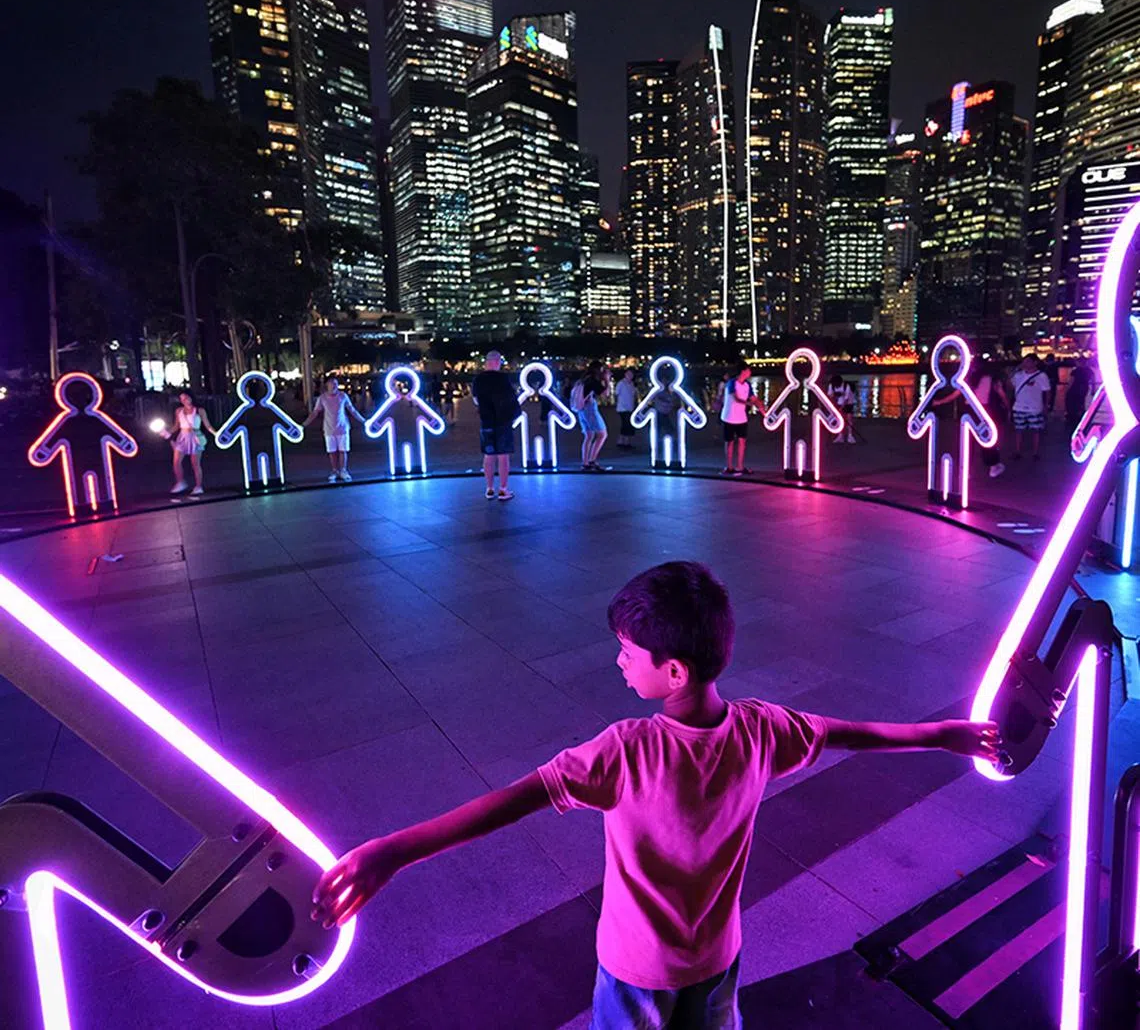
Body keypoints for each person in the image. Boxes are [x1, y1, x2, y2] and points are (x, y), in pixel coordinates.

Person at [312, 561, 1000, 1029]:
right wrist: (940, 734)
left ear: (673, 672)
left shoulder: (626, 750)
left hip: (635, 972)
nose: (618, 660)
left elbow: (514, 801)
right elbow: (850, 734)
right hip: (718, 959)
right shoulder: (762, 730)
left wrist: (393, 850)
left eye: (627, 652)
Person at [471, 350, 517, 500]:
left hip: (486, 420)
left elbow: (475, 399)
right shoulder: (503, 379)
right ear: (497, 362)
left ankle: (489, 488)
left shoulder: (478, 379)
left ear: (486, 362)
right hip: (503, 421)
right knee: (503, 455)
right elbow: (511, 398)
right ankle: (503, 489)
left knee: (488, 455)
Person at [304, 376, 366, 482]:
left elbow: (352, 410)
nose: (334, 386)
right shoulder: (322, 398)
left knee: (343, 451)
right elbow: (315, 412)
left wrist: (364, 421)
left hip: (343, 428)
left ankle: (343, 470)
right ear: (327, 385)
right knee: (332, 452)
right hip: (329, 429)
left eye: (336, 384)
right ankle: (334, 471)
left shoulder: (343, 396)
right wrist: (304, 424)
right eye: (332, 384)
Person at [169, 390, 216, 495]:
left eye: (186, 397)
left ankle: (198, 486)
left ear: (191, 397)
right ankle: (180, 482)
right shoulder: (178, 411)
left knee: (195, 463)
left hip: (195, 437)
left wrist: (216, 434)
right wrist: (167, 431)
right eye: (181, 399)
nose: (184, 400)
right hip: (182, 437)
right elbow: (176, 426)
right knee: (176, 461)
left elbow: (208, 425)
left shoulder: (199, 410)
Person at [720, 363, 763, 475]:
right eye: (748, 370)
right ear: (743, 371)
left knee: (742, 441)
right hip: (729, 417)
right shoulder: (732, 383)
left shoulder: (747, 385)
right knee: (729, 442)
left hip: (741, 418)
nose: (750, 372)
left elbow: (753, 398)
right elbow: (736, 398)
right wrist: (749, 403)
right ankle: (729, 466)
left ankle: (740, 466)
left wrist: (761, 407)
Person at [1010, 354, 1052, 460]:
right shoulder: (1018, 375)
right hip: (1019, 406)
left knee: (1036, 431)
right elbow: (1011, 385)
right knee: (1018, 430)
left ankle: (1035, 452)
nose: (1025, 364)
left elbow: (1047, 392)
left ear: (1035, 363)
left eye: (1028, 361)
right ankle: (1017, 451)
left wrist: (1046, 406)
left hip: (1035, 407)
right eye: (1024, 361)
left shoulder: (1041, 376)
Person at [974, 360, 1010, 478]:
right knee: (992, 438)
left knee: (980, 438)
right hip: (991, 411)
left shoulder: (975, 379)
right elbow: (1002, 395)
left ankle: (970, 468)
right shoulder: (994, 380)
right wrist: (1008, 408)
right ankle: (994, 465)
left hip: (976, 411)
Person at [572, 360, 609, 471]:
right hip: (589, 408)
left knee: (589, 436)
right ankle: (592, 460)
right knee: (602, 434)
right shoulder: (593, 380)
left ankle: (585, 463)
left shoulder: (583, 379)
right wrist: (606, 380)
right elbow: (605, 394)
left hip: (581, 409)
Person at [1065, 358, 1094, 439]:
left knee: (1072, 403)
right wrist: (1093, 389)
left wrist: (1066, 390)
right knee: (1081, 402)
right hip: (1084, 388)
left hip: (1074, 389)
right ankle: (1080, 416)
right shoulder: (1089, 370)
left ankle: (1072, 418)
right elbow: (1093, 380)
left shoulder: (1075, 371)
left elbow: (1071, 381)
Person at [826, 374, 857, 444]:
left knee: (848, 419)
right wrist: (835, 407)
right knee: (840, 419)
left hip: (849, 403)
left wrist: (841, 408)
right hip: (838, 403)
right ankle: (840, 435)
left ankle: (850, 435)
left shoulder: (847, 386)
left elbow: (846, 399)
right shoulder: (831, 386)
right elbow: (830, 396)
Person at [615, 368, 638, 450]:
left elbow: (634, 395)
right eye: (628, 374)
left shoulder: (632, 384)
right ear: (625, 374)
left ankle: (623, 442)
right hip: (622, 408)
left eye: (631, 374)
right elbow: (616, 394)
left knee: (627, 425)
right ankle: (625, 442)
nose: (630, 376)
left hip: (630, 408)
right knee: (626, 424)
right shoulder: (621, 383)